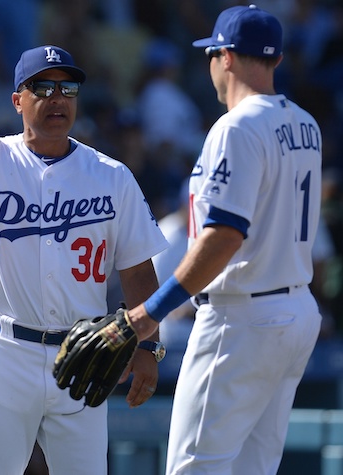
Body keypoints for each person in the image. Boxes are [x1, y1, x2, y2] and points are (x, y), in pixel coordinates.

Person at [120, 5, 323, 474]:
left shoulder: (237, 126)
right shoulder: (306, 124)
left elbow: (225, 235)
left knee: (194, 468)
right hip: (293, 308)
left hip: (242, 317)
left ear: (226, 57)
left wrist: (153, 311)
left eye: (212, 54)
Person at [0, 45, 169, 475]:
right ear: (17, 99)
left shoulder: (111, 176)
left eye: (67, 87)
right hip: (4, 349)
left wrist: (147, 345)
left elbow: (139, 270)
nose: (57, 98)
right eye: (43, 87)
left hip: (82, 355)